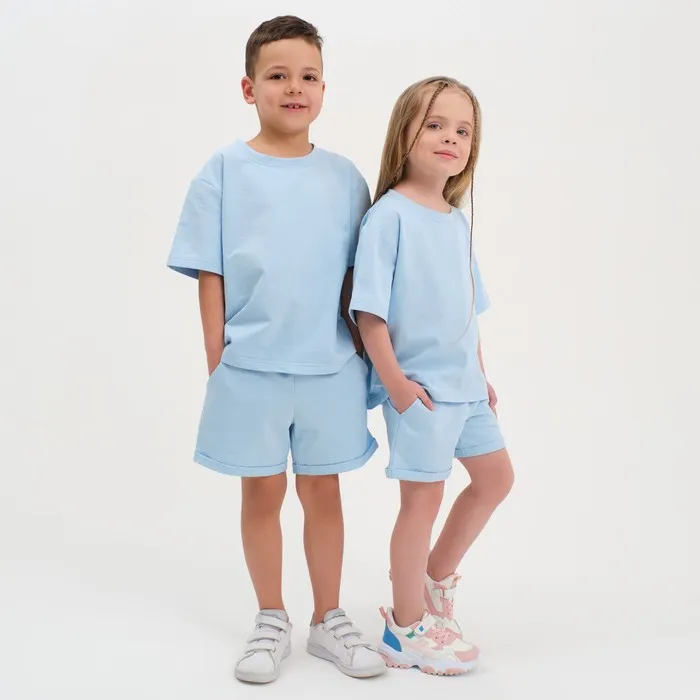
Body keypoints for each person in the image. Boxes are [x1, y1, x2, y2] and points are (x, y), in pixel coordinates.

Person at [166, 15, 384, 684]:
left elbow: (359, 277)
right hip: (250, 367)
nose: (295, 87)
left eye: (308, 76)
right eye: (278, 75)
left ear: (324, 89)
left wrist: (364, 358)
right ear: (248, 87)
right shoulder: (223, 172)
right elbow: (210, 271)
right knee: (261, 493)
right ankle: (270, 617)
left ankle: (327, 620)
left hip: (330, 368)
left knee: (323, 491)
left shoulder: (345, 179)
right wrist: (218, 358)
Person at [350, 76, 515, 676]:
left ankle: (433, 582)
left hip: (466, 388)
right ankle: (405, 627)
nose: (451, 138)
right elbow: (369, 314)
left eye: (463, 130)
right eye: (435, 125)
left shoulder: (456, 221)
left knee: (495, 478)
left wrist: (481, 374)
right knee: (422, 501)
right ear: (405, 134)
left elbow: (467, 309)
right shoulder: (388, 217)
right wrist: (396, 385)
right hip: (420, 391)